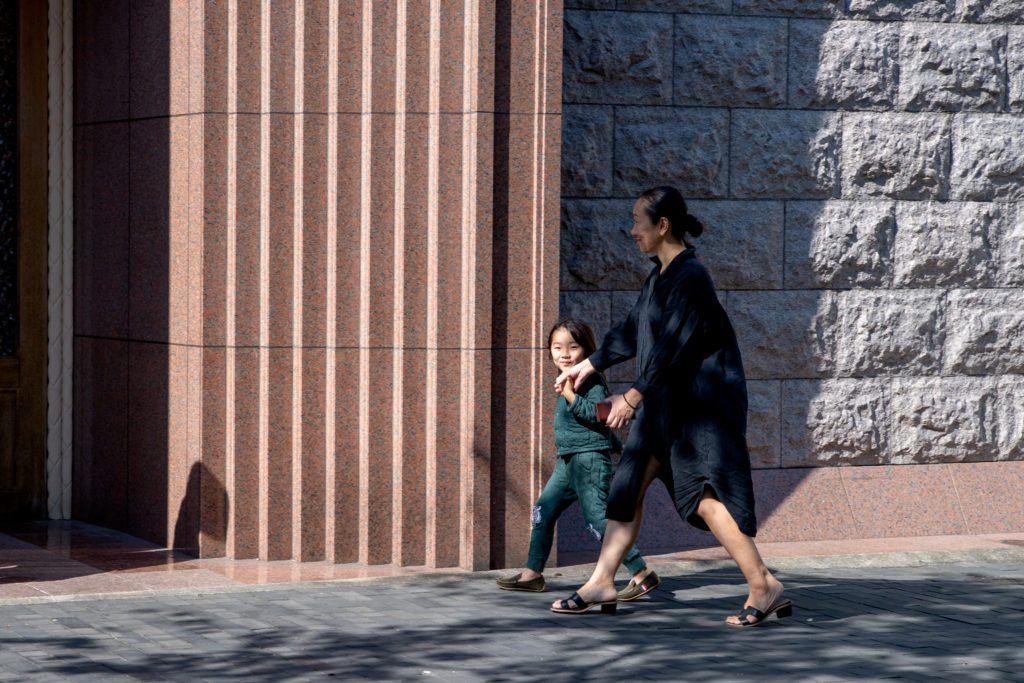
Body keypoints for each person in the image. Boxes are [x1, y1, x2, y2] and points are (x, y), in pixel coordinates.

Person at [548, 186, 791, 627]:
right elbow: (632, 331)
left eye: (638, 221)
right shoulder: (658, 277)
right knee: (628, 486)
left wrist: (632, 395)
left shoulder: (691, 277)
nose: (631, 230)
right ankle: (603, 580)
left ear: (662, 226)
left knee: (702, 498)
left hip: (696, 409)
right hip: (663, 407)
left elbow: (676, 348)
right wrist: (588, 364)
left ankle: (763, 584)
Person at [497, 319, 658, 606]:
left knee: (598, 518)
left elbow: (597, 414)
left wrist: (570, 394)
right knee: (542, 511)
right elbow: (600, 425)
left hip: (589, 461)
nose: (565, 354)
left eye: (573, 347)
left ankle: (641, 571)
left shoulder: (589, 379)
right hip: (567, 462)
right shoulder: (568, 377)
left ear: (586, 350)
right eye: (557, 347)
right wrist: (617, 444)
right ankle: (532, 574)